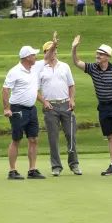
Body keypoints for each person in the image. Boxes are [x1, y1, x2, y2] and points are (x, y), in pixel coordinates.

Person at [71, 35, 112, 176]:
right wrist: (74, 48)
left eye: (100, 54)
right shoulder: (93, 68)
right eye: (97, 53)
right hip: (103, 106)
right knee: (110, 136)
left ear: (108, 57)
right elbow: (76, 62)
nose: (97, 56)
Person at [37, 33, 82, 177]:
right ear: (45, 52)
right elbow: (35, 90)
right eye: (50, 49)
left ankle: (74, 164)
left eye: (55, 49)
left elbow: (71, 85)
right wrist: (44, 102)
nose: (53, 52)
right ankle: (56, 166)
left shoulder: (65, 66)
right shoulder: (40, 69)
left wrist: (72, 99)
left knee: (71, 135)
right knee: (53, 138)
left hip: (66, 105)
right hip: (50, 108)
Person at [2, 45, 47, 180]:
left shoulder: (35, 68)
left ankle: (32, 170)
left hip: (31, 109)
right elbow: (5, 89)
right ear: (28, 57)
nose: (36, 57)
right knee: (16, 139)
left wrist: (55, 44)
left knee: (34, 139)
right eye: (33, 55)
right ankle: (12, 170)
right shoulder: (15, 71)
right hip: (17, 109)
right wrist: (6, 108)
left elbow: (48, 56)